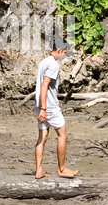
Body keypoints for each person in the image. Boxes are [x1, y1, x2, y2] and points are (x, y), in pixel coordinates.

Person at [34, 42, 79, 180]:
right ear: (59, 50)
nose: (64, 56)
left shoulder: (43, 62)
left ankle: (39, 170)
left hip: (40, 105)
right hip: (50, 107)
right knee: (63, 135)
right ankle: (62, 169)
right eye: (65, 53)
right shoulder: (53, 64)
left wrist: (40, 107)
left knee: (42, 137)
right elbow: (44, 84)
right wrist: (44, 109)